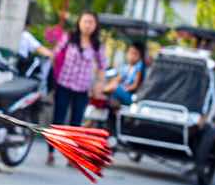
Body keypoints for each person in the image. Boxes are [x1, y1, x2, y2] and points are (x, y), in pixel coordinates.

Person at [48, 11, 106, 165]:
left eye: (91, 22)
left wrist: (99, 85)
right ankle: (51, 152)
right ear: (79, 22)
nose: (88, 25)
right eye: (85, 21)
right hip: (64, 84)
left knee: (76, 123)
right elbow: (55, 55)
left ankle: (72, 156)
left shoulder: (97, 45)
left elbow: (102, 67)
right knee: (58, 120)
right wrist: (55, 74)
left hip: (82, 89)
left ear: (95, 26)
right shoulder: (68, 38)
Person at [105, 41, 144, 106]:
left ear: (140, 56)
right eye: (130, 53)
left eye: (135, 54)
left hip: (130, 96)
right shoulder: (126, 67)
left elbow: (135, 85)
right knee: (113, 87)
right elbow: (118, 79)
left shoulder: (139, 66)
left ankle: (101, 92)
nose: (132, 56)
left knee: (113, 87)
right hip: (121, 92)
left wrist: (123, 88)